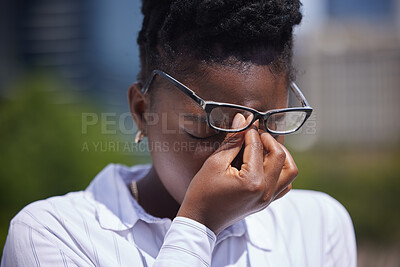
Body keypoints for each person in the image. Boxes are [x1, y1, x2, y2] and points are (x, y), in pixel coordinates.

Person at [1, 0, 357, 266]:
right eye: (208, 124)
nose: (244, 154)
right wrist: (199, 223)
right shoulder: (53, 234)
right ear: (142, 112)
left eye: (269, 123)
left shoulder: (320, 224)